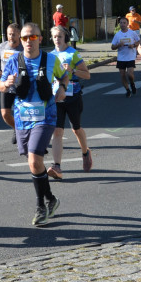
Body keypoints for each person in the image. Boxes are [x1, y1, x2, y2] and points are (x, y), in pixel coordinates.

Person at [0, 23, 70, 226]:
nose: (28, 41)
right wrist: (7, 83)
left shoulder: (50, 60)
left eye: (33, 37)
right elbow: (1, 85)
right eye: (24, 38)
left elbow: (63, 75)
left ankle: (40, 206)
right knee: (36, 164)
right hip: (22, 119)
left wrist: (62, 88)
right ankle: (51, 199)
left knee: (33, 160)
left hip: (46, 117)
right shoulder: (14, 60)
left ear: (40, 38)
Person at [47, 25, 93, 177]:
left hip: (73, 97)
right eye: (54, 37)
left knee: (76, 129)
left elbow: (87, 75)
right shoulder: (50, 56)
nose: (57, 40)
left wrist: (72, 70)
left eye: (60, 36)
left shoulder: (73, 53)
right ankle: (57, 166)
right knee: (57, 131)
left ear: (65, 37)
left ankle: (85, 152)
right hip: (57, 97)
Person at [0, 23, 22, 144]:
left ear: (19, 35)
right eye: (9, 34)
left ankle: (24, 133)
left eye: (14, 34)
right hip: (6, 85)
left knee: (22, 113)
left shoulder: (24, 48)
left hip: (21, 85)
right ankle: (17, 128)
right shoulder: (2, 46)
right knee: (5, 114)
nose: (11, 36)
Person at [111, 16, 140, 97]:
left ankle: (132, 84)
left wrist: (133, 45)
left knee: (130, 74)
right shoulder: (117, 35)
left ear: (127, 24)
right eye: (121, 23)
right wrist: (118, 45)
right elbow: (112, 47)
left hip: (130, 57)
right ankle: (127, 90)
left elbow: (138, 41)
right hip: (121, 58)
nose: (122, 24)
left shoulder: (132, 33)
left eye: (124, 23)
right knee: (122, 75)